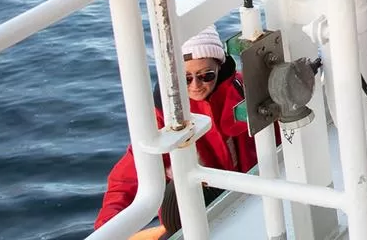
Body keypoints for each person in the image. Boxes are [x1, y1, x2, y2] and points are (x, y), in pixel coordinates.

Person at [95, 26, 257, 238]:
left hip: (255, 197)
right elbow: (126, 180)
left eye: (206, 75)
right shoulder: (162, 117)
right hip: (195, 218)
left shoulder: (246, 91)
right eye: (185, 78)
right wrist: (107, 231)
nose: (196, 85)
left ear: (220, 66)